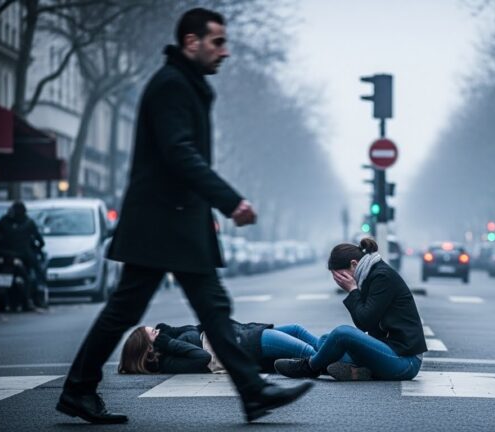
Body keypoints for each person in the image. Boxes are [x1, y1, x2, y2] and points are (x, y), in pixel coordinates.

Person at [56, 8, 312, 425]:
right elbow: (179, 154)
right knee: (131, 310)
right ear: (192, 42)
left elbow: (182, 156)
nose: (225, 52)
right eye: (218, 42)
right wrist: (230, 201)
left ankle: (252, 391)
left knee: (209, 307)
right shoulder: (172, 85)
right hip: (163, 223)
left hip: (174, 222)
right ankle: (78, 389)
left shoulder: (183, 84)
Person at [274, 238, 428, 381]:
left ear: (354, 264)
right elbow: (365, 324)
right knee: (326, 340)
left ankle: (310, 367)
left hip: (405, 361)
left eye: (340, 277)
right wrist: (354, 290)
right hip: (388, 350)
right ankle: (357, 372)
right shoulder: (368, 275)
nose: (339, 282)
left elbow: (365, 322)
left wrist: (353, 290)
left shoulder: (382, 277)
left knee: (342, 333)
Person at [119, 322, 320, 374]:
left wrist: (170, 332)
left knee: (296, 330)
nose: (160, 333)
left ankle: (337, 354)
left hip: (238, 334)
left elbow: (195, 331)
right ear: (149, 348)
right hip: (245, 345)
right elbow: (202, 358)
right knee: (307, 353)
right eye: (155, 333)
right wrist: (169, 342)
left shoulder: (169, 344)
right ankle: (334, 362)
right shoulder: (168, 362)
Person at [0, 201, 45, 312]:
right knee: (36, 274)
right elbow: (40, 241)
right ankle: (34, 300)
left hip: (5, 256)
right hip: (22, 257)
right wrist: (35, 250)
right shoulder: (29, 223)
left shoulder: (3, 221)